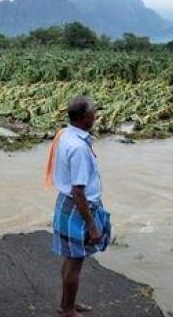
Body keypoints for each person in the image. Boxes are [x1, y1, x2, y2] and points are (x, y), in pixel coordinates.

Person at [45, 95, 111, 317]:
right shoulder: (80, 149)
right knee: (75, 262)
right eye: (93, 112)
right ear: (84, 118)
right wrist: (91, 224)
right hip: (78, 206)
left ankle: (67, 304)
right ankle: (68, 309)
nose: (96, 115)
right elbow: (79, 191)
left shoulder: (65, 134)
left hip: (66, 203)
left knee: (70, 258)